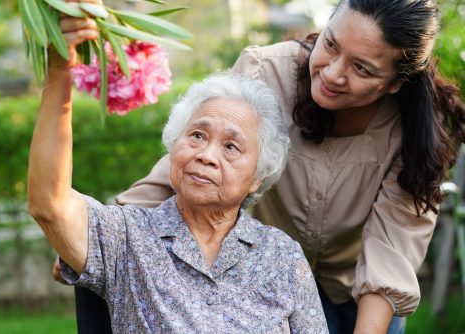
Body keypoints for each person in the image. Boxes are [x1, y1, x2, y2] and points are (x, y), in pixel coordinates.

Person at [110, 0, 465, 333]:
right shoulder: (265, 73)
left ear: (396, 82)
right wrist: (108, 239)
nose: (332, 73)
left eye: (361, 68)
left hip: (361, 291)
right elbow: (194, 159)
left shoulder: (413, 130)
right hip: (269, 280)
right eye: (330, 45)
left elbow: (391, 248)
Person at [27, 11, 329, 332]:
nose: (207, 155)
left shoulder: (281, 255)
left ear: (257, 177)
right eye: (197, 135)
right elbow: (49, 204)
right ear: (174, 146)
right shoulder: (127, 238)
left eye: (231, 147)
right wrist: (60, 71)